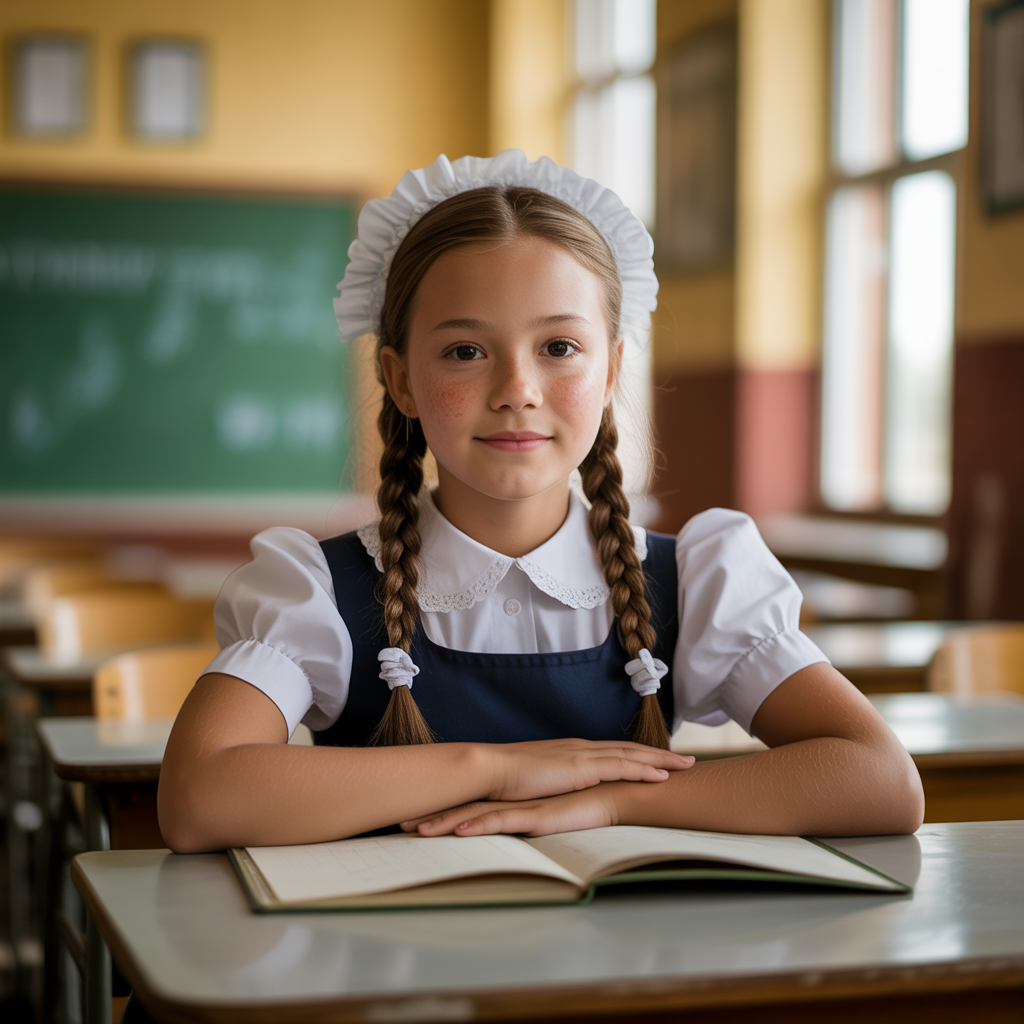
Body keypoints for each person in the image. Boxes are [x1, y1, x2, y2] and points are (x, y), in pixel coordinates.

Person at [158, 151, 923, 853]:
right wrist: (498, 770)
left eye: (559, 347)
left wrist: (611, 804)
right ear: (400, 379)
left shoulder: (693, 580)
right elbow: (198, 798)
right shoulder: (320, 589)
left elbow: (881, 781)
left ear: (611, 368)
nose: (517, 391)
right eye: (465, 351)